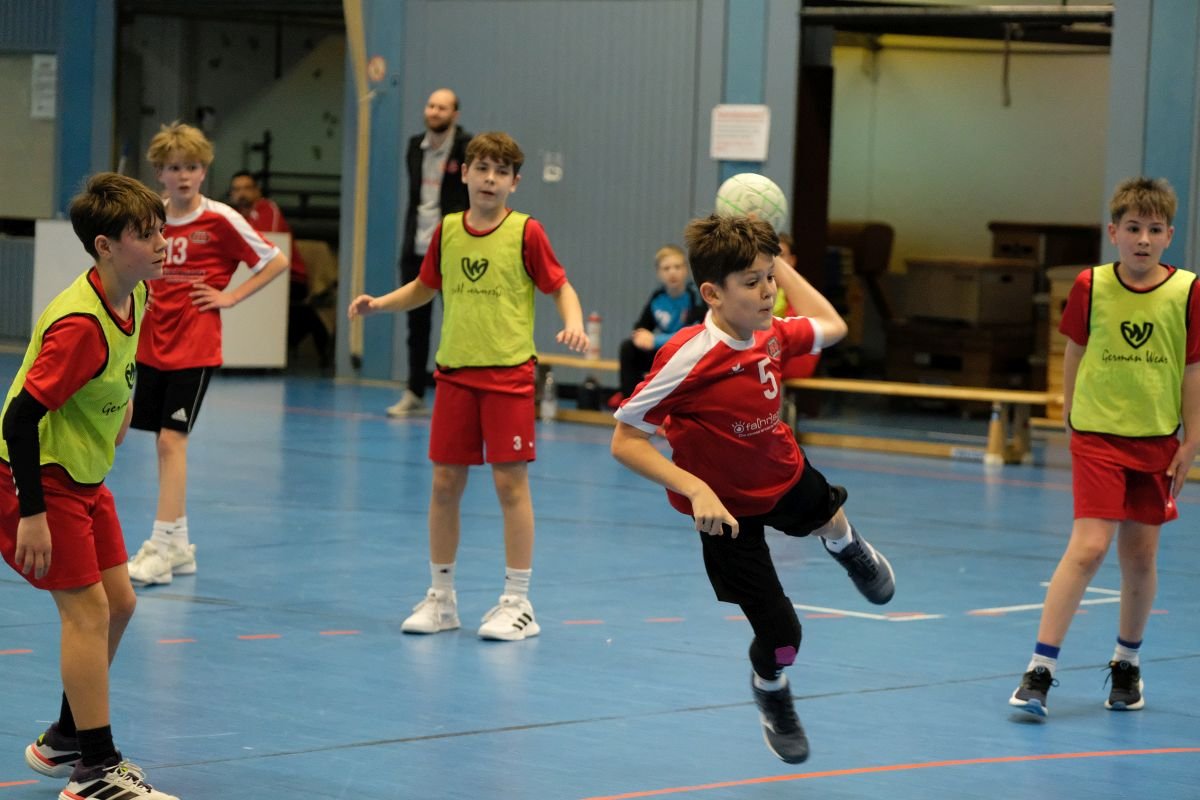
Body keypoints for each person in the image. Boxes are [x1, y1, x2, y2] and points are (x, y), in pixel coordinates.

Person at [609, 214, 895, 764]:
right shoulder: (689, 356)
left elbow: (832, 325)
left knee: (829, 515)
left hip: (782, 473)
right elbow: (625, 441)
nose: (767, 292)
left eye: (770, 278)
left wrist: (777, 263)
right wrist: (696, 489)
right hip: (725, 515)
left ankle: (848, 548)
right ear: (713, 294)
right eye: (752, 282)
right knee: (784, 637)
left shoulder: (772, 330)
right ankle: (771, 688)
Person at [349, 131, 588, 640]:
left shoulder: (526, 232)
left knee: (509, 485)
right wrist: (379, 304)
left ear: (515, 182)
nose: (490, 179)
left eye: (501, 172)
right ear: (464, 173)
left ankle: (518, 602)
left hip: (508, 377)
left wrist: (574, 323)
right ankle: (441, 599)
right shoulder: (448, 230)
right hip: (455, 374)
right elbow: (424, 287)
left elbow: (560, 286)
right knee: (444, 485)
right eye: (482, 168)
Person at [1, 173, 181, 798]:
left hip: (84, 475)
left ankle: (64, 739)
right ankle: (97, 771)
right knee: (87, 612)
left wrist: (121, 404)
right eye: (146, 234)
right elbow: (19, 417)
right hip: (39, 479)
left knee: (120, 604)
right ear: (105, 246)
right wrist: (31, 513)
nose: (162, 243)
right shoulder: (79, 324)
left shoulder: (135, 293)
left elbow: (120, 362)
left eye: (161, 230)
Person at [1009, 177, 1199, 718]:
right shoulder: (1090, 285)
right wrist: (1071, 414)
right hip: (1097, 436)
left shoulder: (1187, 291)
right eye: (1133, 228)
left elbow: (1191, 369)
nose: (1143, 239)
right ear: (1113, 232)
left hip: (1157, 440)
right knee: (1089, 547)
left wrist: (1192, 439)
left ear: (1169, 236)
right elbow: (1074, 350)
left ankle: (1126, 664)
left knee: (1140, 555)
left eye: (1154, 230)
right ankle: (1039, 671)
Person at [126, 122, 289, 586]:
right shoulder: (149, 217)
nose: (183, 176)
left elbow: (274, 260)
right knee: (160, 441)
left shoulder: (221, 219)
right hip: (150, 343)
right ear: (159, 172)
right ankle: (179, 545)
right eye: (174, 167)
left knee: (170, 441)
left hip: (194, 345)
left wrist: (230, 296)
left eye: (192, 167)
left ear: (204, 171)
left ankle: (161, 546)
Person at [387, 88, 473, 417]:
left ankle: (459, 393)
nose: (435, 112)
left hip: (453, 247)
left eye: (442, 108)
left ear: (455, 115)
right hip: (416, 246)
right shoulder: (414, 146)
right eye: (431, 105)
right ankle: (414, 392)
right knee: (416, 323)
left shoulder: (466, 147)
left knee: (458, 322)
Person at [228, 170, 332, 367]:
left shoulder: (268, 208)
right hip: (253, 276)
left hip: (290, 277)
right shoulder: (234, 216)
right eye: (237, 189)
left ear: (257, 191)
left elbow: (268, 239)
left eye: (247, 188)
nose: (242, 194)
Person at [613, 244, 704, 403]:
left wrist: (655, 340)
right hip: (664, 353)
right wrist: (640, 337)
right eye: (666, 268)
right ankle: (631, 403)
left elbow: (698, 333)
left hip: (688, 353)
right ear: (659, 273)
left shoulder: (696, 296)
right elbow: (641, 328)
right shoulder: (657, 297)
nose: (672, 272)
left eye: (677, 267)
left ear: (686, 270)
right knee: (628, 348)